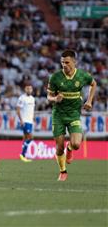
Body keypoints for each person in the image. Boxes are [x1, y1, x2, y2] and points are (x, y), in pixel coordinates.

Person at [47, 49, 96, 181]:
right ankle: (63, 171)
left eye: (67, 62)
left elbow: (93, 83)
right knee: (59, 147)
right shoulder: (55, 77)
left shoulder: (82, 76)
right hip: (58, 116)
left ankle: (70, 149)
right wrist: (55, 98)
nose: (64, 65)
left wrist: (89, 100)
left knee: (76, 145)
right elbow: (49, 96)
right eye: (62, 62)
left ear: (74, 62)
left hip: (74, 114)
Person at [16, 83, 35, 163]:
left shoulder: (32, 99)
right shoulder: (22, 98)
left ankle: (23, 155)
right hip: (25, 121)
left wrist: (33, 119)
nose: (29, 90)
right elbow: (18, 110)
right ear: (25, 89)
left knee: (25, 137)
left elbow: (32, 110)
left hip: (30, 121)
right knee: (30, 137)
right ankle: (23, 154)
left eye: (30, 88)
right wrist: (21, 121)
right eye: (27, 88)